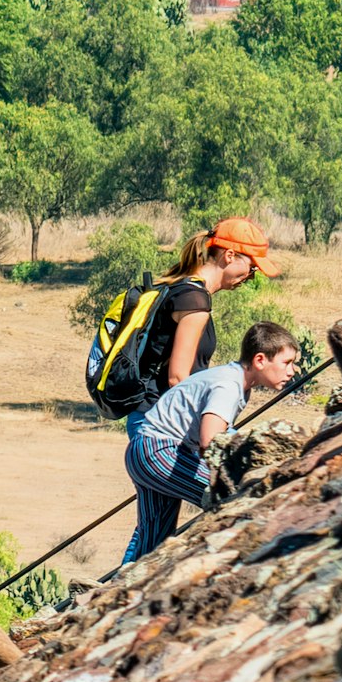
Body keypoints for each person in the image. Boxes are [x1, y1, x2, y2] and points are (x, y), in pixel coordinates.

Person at [127, 320, 303, 564]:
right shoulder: (229, 385)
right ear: (260, 360)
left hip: (144, 450)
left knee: (153, 539)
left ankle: (113, 593)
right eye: (287, 363)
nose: (292, 371)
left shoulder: (232, 379)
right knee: (232, 498)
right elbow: (210, 440)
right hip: (160, 452)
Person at [127, 217, 276, 411]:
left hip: (154, 413)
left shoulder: (183, 289)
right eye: (252, 268)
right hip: (162, 418)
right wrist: (207, 417)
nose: (251, 277)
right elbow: (178, 378)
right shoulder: (194, 300)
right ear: (229, 255)